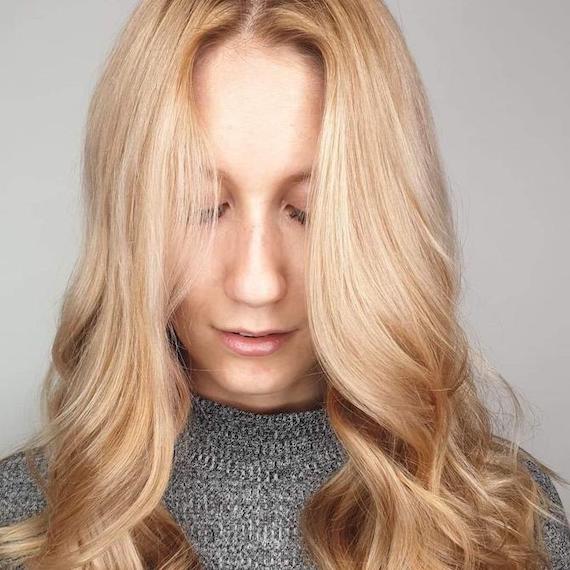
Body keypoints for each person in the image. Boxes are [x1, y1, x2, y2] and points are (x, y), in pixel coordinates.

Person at [1, 0, 569, 568]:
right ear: (130, 219)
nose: (257, 283)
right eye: (201, 208)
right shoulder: (21, 522)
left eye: (309, 212)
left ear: (383, 225)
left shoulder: (509, 526)